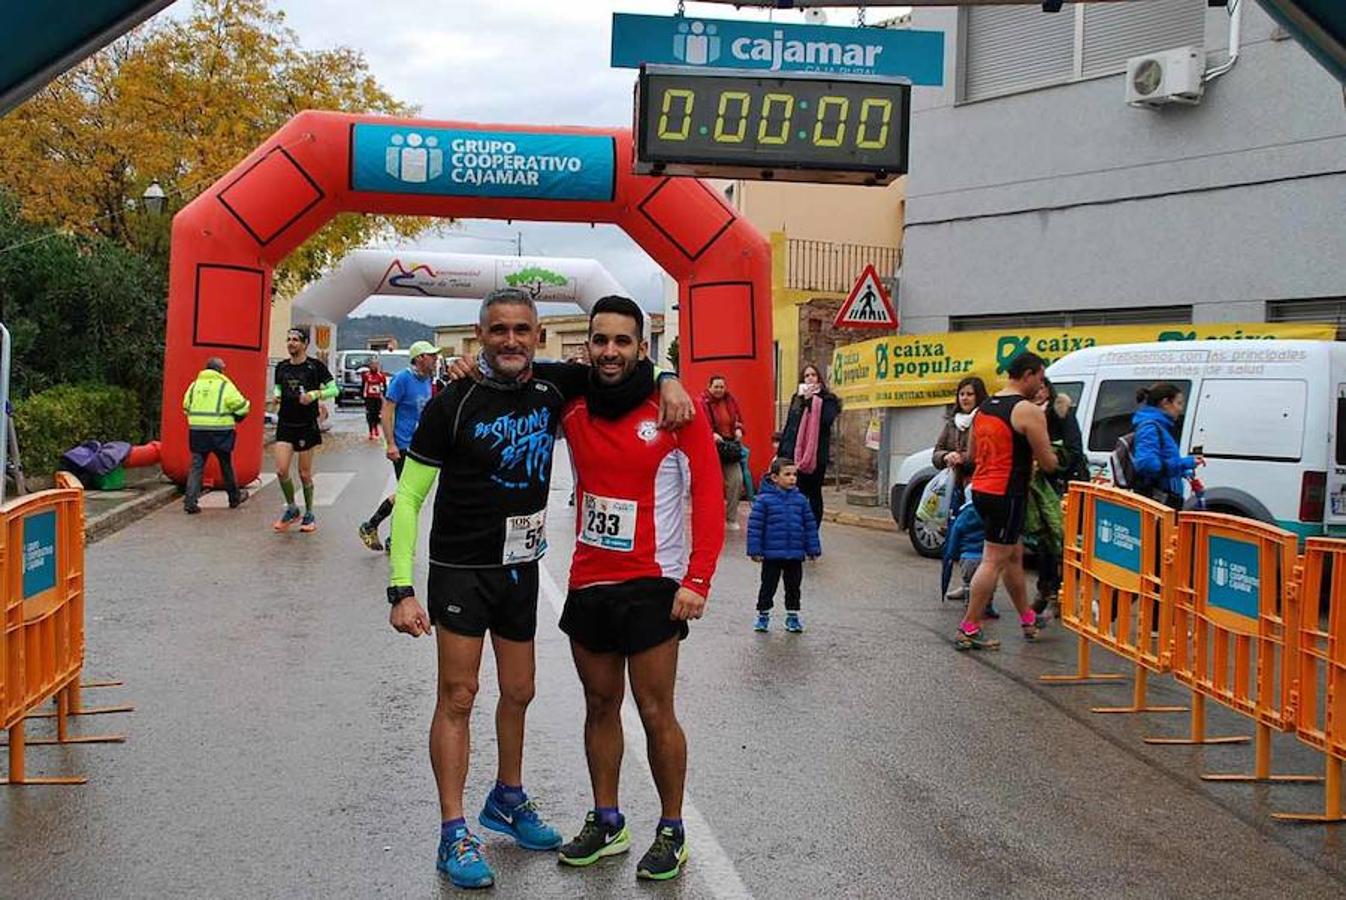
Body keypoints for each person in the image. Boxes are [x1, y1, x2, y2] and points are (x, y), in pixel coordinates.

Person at [384, 289, 694, 890]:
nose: (510, 340)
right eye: (497, 329)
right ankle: (453, 833)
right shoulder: (454, 401)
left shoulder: (554, 387)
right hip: (461, 569)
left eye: (522, 329)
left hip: (519, 568)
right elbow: (411, 498)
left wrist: (671, 375)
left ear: (536, 336)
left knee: (520, 691)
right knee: (459, 694)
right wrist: (401, 587)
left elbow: (620, 366)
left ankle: (508, 795)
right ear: (480, 336)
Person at [555, 296, 723, 883]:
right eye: (600, 340)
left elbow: (709, 494)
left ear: (641, 348)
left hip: (654, 584)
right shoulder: (572, 403)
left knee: (655, 710)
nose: (609, 352)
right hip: (588, 580)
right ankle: (607, 820)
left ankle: (672, 828)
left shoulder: (676, 408)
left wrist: (697, 578)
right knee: (599, 706)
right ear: (587, 345)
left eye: (622, 342)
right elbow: (520, 373)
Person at [955, 352, 1059, 651]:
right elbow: (1048, 461)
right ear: (1028, 375)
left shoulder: (986, 406)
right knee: (993, 560)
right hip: (1007, 492)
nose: (1041, 384)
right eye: (1040, 377)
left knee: (1013, 554)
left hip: (982, 488)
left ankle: (1028, 618)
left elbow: (973, 455)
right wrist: (1056, 460)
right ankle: (969, 626)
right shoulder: (1027, 410)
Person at [358, 342, 438, 553]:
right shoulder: (403, 379)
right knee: (407, 495)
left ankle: (390, 535)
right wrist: (391, 444)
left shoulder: (428, 380)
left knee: (409, 496)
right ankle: (373, 527)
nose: (436, 360)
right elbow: (386, 412)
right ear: (420, 358)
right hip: (403, 445)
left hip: (420, 445)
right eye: (432, 356)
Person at [271, 328, 337, 533]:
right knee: (281, 470)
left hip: (306, 425)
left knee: (304, 473)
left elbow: (335, 389)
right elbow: (278, 388)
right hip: (285, 424)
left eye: (295, 340)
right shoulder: (281, 367)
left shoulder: (314, 366)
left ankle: (309, 513)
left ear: (305, 344)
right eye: (288, 339)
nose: (291, 343)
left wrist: (315, 395)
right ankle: (292, 508)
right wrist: (277, 395)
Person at [747, 457, 821, 634]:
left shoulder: (801, 500)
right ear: (774, 477)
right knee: (768, 586)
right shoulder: (764, 500)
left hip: (795, 554)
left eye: (794, 475)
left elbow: (809, 525)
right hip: (771, 555)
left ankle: (792, 616)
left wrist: (813, 548)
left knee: (793, 587)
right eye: (787, 474)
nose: (792, 479)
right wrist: (755, 550)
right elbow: (755, 527)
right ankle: (763, 615)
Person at [181, 356, 250, 514]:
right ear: (220, 370)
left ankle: (190, 501)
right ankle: (234, 498)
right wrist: (243, 410)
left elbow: (186, 406)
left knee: (197, 466)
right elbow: (240, 406)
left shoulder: (195, 385)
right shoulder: (225, 384)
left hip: (197, 430)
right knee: (226, 464)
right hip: (221, 431)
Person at [778, 363, 842, 531]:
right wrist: (781, 451)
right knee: (794, 494)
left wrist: (812, 402)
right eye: (806, 376)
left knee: (813, 494)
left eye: (813, 375)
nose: (810, 378)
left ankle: (812, 533)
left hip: (815, 456)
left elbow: (826, 421)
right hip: (794, 455)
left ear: (819, 378)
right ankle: (796, 532)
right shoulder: (797, 398)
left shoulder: (828, 399)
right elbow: (791, 425)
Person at [1131, 382, 1203, 511]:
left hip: (1165, 502)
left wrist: (1182, 471)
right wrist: (1184, 463)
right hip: (1160, 504)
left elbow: (1163, 463)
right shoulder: (1150, 427)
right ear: (1165, 403)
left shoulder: (1160, 426)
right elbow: (1147, 464)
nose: (1181, 409)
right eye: (1179, 403)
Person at [932, 376, 988, 520]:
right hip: (953, 487)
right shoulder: (952, 423)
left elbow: (984, 453)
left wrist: (961, 458)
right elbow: (937, 452)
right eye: (962, 394)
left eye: (970, 394)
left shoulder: (985, 420)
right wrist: (946, 456)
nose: (965, 398)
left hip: (977, 485)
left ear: (978, 396)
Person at [701, 374, 745, 530]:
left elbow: (738, 418)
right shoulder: (703, 402)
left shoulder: (731, 401)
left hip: (729, 447)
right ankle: (711, 518)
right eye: (716, 387)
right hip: (710, 447)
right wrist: (711, 433)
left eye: (721, 386)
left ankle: (731, 517)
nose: (719, 390)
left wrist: (739, 429)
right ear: (709, 387)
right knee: (711, 484)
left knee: (737, 480)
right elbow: (700, 423)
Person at [361, 355, 388, 440]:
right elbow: (363, 386)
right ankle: (370, 431)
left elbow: (384, 387)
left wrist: (384, 396)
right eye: (372, 364)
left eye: (376, 364)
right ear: (370, 366)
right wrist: (363, 396)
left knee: (376, 413)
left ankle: (375, 427)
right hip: (369, 397)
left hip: (378, 397)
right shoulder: (366, 375)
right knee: (370, 413)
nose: (374, 366)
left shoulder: (381, 376)